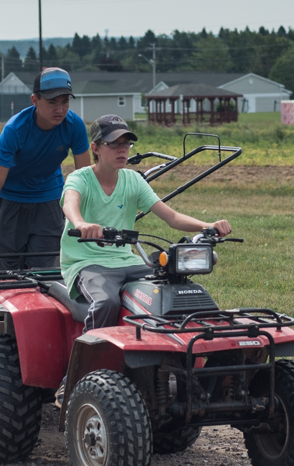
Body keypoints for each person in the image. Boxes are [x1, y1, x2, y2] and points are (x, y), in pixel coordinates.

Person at [61, 114, 230, 332]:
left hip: (126, 261)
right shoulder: (80, 178)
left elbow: (172, 217)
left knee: (173, 290)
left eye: (126, 143)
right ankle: (90, 357)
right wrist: (81, 224)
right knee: (107, 302)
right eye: (114, 144)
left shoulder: (133, 181)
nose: (122, 149)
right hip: (87, 262)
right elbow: (70, 203)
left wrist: (207, 225)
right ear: (95, 148)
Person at [0, 68, 92, 269]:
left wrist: (86, 224)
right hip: (12, 199)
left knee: (41, 269)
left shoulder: (74, 126)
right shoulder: (15, 129)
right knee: (9, 268)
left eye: (65, 102)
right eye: (52, 102)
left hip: (49, 199)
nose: (60, 109)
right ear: (35, 100)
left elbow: (85, 179)